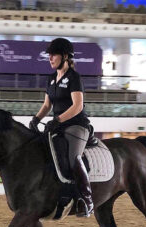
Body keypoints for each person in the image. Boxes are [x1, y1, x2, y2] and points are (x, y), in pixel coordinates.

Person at [29, 37, 94, 217]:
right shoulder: (51, 79)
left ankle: (87, 200)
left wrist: (58, 120)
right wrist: (36, 119)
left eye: (53, 55)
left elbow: (77, 106)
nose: (50, 58)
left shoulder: (74, 77)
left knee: (73, 158)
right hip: (58, 127)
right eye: (49, 55)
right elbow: (47, 105)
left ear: (65, 56)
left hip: (76, 126)